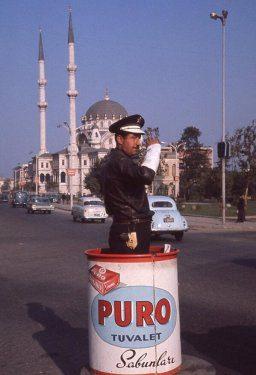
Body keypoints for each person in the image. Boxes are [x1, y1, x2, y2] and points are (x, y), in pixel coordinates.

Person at [98, 114, 161, 254]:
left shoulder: (116, 160)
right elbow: (146, 175)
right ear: (120, 139)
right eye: (133, 137)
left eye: (139, 137)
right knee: (134, 272)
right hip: (131, 229)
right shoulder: (119, 161)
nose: (138, 143)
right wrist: (154, 150)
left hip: (129, 227)